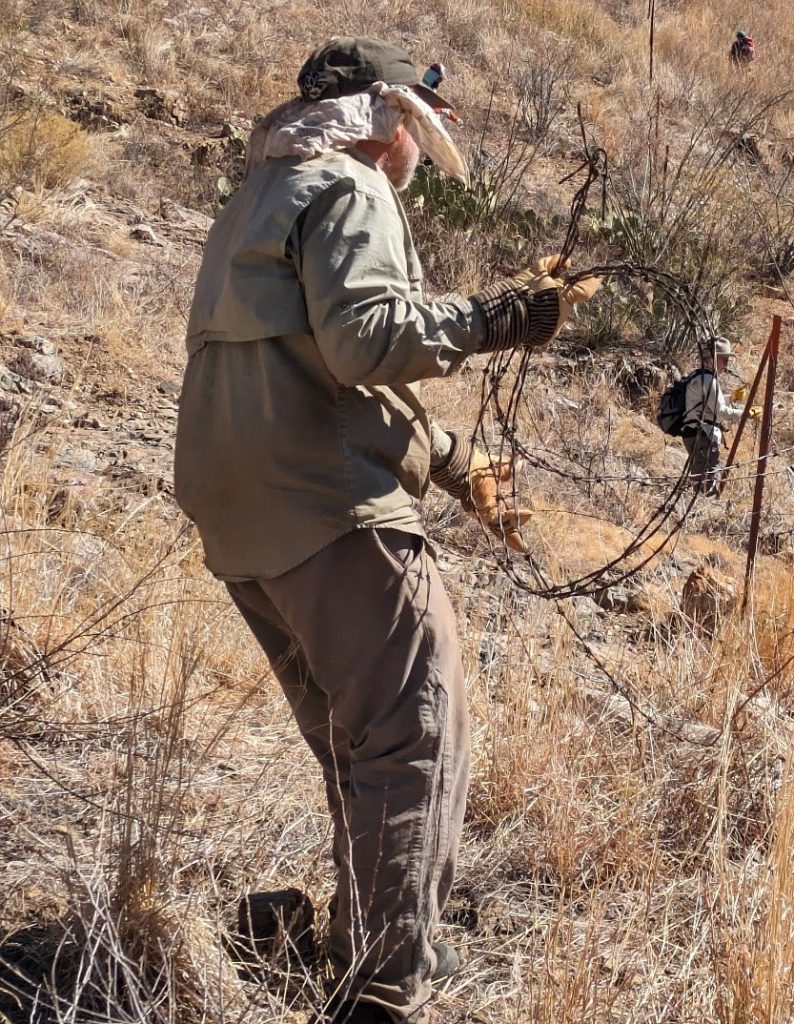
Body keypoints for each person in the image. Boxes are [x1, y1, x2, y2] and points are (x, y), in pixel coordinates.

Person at [173, 37, 598, 1024]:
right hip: (328, 503)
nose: (418, 148)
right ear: (386, 119)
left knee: (351, 741)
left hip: (242, 508)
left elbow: (314, 360)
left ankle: (366, 938)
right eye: (415, 125)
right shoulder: (354, 191)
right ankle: (382, 989)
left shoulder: (258, 195)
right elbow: (365, 341)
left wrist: (454, 464)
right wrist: (502, 314)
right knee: (410, 735)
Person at [680, 337, 755, 496]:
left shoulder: (697, 376)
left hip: (693, 432)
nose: (726, 365)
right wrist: (748, 413)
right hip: (703, 435)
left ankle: (699, 508)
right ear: (713, 358)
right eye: (724, 360)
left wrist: (731, 397)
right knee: (707, 482)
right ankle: (704, 513)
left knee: (700, 479)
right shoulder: (708, 380)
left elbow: (709, 403)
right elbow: (720, 412)